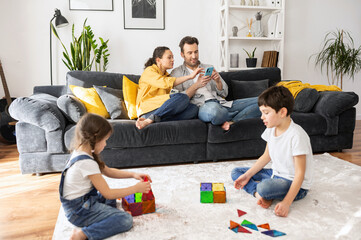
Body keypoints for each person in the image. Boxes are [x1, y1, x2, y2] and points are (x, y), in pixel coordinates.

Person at [59, 113, 152, 240]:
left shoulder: (82, 152)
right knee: (125, 220)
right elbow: (108, 193)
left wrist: (133, 174)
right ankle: (83, 234)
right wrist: (136, 188)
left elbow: (108, 171)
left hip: (82, 202)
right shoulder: (86, 163)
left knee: (110, 197)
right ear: (96, 138)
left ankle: (107, 215)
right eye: (105, 140)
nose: (106, 144)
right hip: (79, 212)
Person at [231, 86, 313, 217]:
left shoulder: (297, 135)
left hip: (294, 183)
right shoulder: (271, 128)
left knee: (265, 187)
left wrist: (286, 203)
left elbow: (300, 174)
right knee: (237, 173)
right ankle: (259, 195)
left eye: (266, 112)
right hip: (275, 174)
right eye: (261, 112)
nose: (261, 117)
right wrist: (247, 176)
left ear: (282, 112)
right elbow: (266, 156)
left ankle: (264, 193)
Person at [170, 36, 261, 131]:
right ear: (182, 54)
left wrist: (218, 81)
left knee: (263, 101)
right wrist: (196, 85)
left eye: (196, 52)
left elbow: (224, 93)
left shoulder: (208, 67)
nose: (194, 56)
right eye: (190, 53)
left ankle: (233, 121)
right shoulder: (176, 74)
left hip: (222, 103)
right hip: (204, 107)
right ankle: (230, 115)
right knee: (214, 111)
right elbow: (177, 101)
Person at [135, 46, 203, 129]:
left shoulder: (167, 75)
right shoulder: (149, 71)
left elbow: (171, 96)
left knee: (193, 109)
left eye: (173, 57)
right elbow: (164, 83)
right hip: (147, 110)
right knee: (183, 97)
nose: (172, 60)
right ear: (158, 60)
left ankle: (156, 119)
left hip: (163, 109)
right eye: (169, 58)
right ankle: (149, 120)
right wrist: (190, 76)